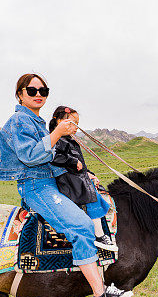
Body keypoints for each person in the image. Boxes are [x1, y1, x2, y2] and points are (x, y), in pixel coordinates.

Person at [0, 73, 132, 297]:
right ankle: (100, 294)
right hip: (36, 186)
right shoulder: (19, 122)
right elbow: (29, 156)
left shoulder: (37, 122)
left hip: (51, 183)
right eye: (32, 91)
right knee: (81, 225)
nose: (38, 95)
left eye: (43, 91)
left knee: (94, 198)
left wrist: (82, 174)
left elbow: (54, 159)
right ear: (20, 94)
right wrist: (57, 133)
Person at [48, 105, 118, 252]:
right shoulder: (57, 139)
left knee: (96, 193)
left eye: (77, 125)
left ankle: (100, 222)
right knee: (90, 194)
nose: (76, 128)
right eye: (73, 124)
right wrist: (74, 163)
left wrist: (89, 173)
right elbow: (54, 157)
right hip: (66, 180)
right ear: (59, 120)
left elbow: (80, 164)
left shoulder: (69, 140)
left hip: (74, 176)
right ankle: (99, 235)